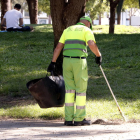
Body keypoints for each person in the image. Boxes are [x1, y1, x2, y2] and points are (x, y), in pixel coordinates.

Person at [47, 16, 102, 126]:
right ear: (88, 24)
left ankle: (68, 119)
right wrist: (98, 55)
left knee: (69, 90)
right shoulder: (87, 30)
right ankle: (79, 119)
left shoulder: (67, 30)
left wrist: (53, 62)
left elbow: (58, 47)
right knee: (81, 90)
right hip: (79, 62)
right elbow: (91, 44)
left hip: (66, 62)